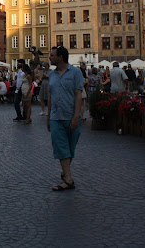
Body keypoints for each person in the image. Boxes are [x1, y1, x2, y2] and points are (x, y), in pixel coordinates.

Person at [47, 46, 84, 191]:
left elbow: (79, 94)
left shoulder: (75, 72)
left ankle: (65, 171)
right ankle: (68, 180)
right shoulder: (52, 74)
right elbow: (51, 96)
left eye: (52, 55)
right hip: (56, 117)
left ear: (60, 57)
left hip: (71, 115)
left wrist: (76, 116)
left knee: (70, 149)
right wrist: (48, 116)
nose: (50, 57)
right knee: (61, 147)